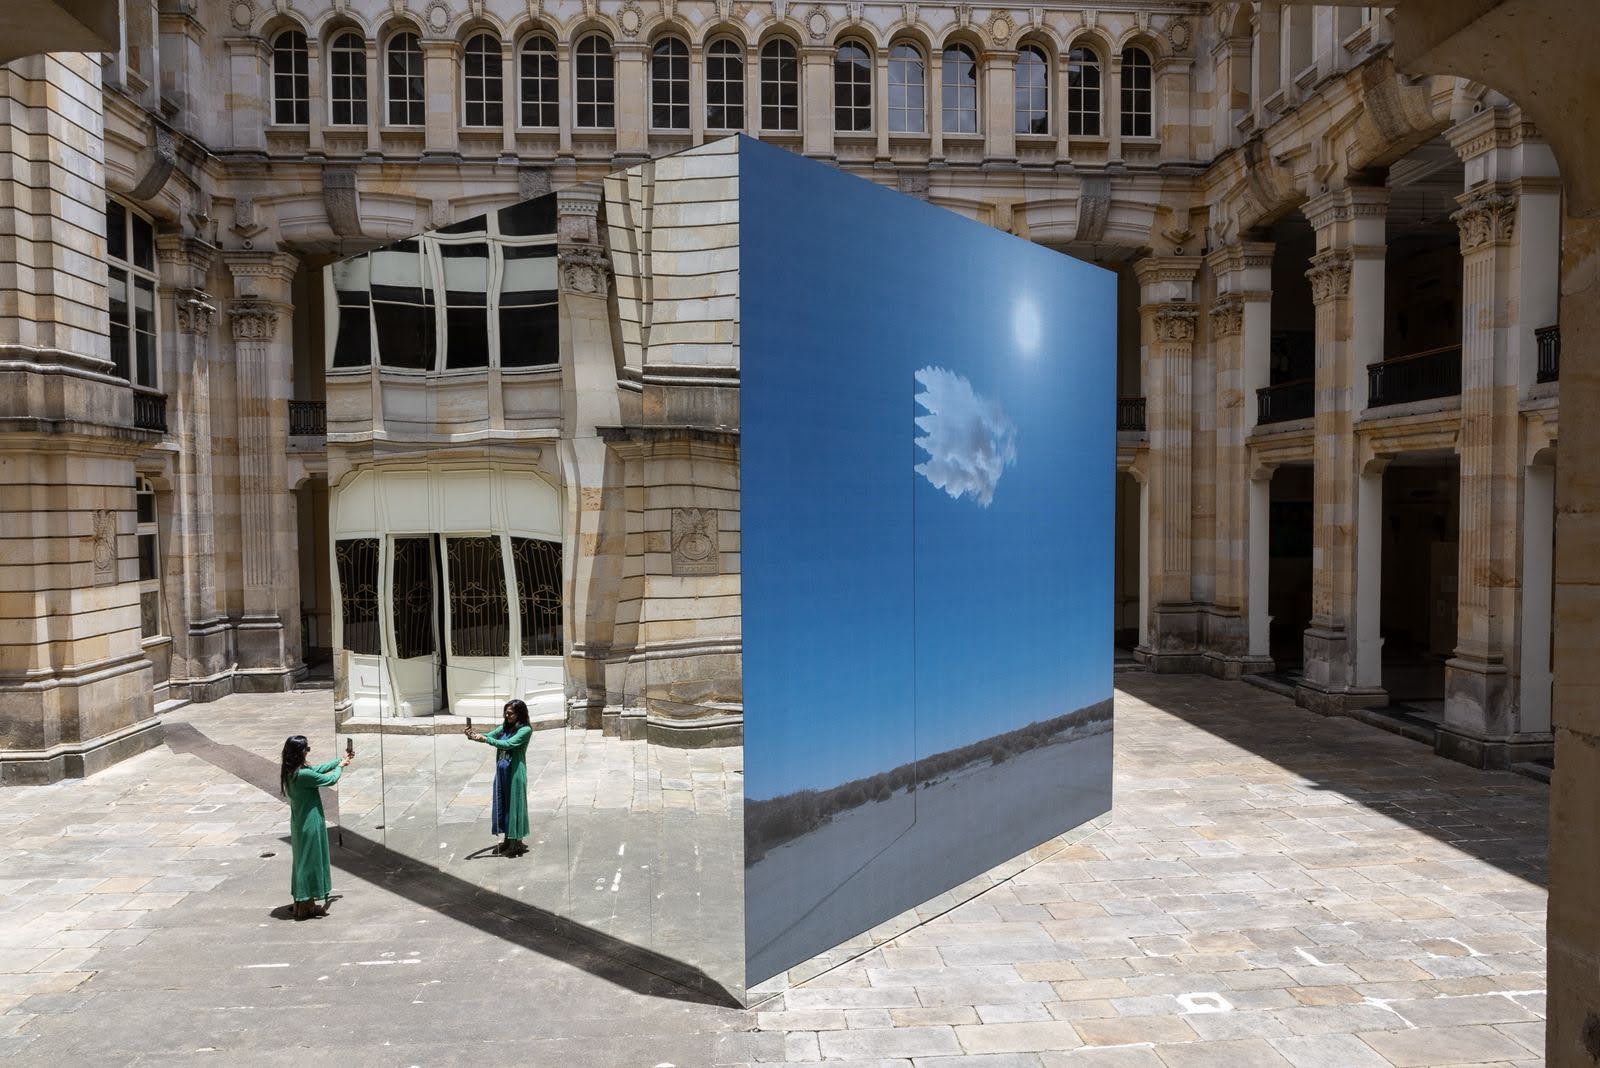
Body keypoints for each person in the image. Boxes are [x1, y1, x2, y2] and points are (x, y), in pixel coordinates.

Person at [279, 735, 352, 919]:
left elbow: (316, 769)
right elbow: (330, 780)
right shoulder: (302, 774)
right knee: (310, 862)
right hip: (310, 822)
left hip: (299, 822)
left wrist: (339, 760)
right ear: (300, 753)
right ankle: (305, 905)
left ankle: (303, 901)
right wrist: (340, 767)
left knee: (302, 861)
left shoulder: (291, 770)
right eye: (306, 749)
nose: (307, 752)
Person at [466, 700, 533, 856]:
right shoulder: (505, 727)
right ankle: (508, 840)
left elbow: (508, 743)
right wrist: (473, 736)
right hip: (502, 771)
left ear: (520, 714)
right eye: (506, 712)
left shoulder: (525, 730)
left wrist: (486, 740)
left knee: (514, 805)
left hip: (515, 772)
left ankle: (516, 842)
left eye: (510, 713)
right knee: (503, 804)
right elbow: (488, 735)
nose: (507, 715)